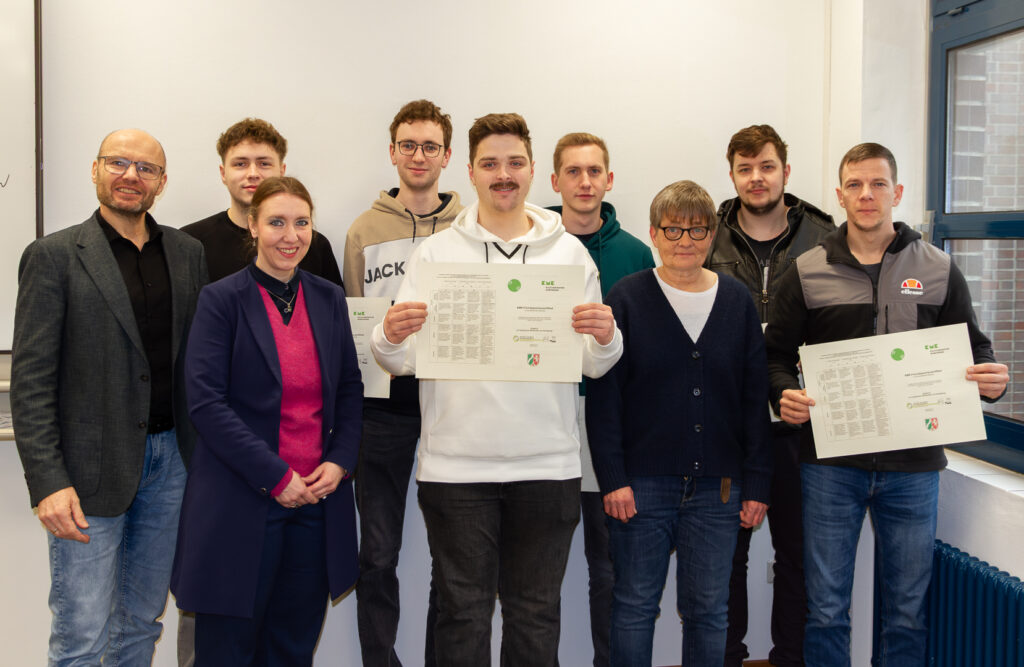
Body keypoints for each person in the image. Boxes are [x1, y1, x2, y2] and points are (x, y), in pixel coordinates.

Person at [370, 112, 622, 667]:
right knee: (462, 614)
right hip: (455, 469)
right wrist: (387, 335)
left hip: (548, 466)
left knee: (535, 615)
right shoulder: (436, 254)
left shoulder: (569, 255)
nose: (502, 174)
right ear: (471, 171)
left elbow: (596, 364)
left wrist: (607, 338)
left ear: (532, 171)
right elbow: (398, 358)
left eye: (514, 163)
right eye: (490, 164)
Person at [766, 143, 1009, 666]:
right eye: (855, 185)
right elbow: (774, 356)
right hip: (830, 467)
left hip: (914, 468)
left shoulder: (939, 268)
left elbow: (975, 351)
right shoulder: (806, 271)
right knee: (826, 610)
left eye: (877, 184)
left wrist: (992, 379)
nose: (866, 194)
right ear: (840, 195)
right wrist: (783, 394)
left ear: (896, 192)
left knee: (907, 612)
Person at [11, 128, 207, 664]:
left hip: (171, 467)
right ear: (95, 170)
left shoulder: (187, 254)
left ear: (161, 183)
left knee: (140, 624)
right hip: (85, 474)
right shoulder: (53, 256)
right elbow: (31, 381)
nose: (130, 176)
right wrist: (48, 483)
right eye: (118, 162)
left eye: (146, 168)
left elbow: (196, 364)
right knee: (82, 636)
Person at [171, 176, 362, 665]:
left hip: (315, 505)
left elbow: (348, 388)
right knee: (227, 652)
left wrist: (340, 462)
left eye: (301, 223)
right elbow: (207, 405)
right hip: (240, 501)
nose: (290, 236)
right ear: (253, 226)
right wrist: (275, 476)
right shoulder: (220, 300)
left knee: (291, 649)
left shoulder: (328, 298)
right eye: (276, 222)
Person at [587, 180, 772, 667]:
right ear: (653, 233)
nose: (684, 240)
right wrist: (613, 478)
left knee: (709, 612)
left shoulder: (737, 301)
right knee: (633, 606)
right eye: (672, 229)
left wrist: (758, 484)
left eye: (696, 230)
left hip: (720, 489)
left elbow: (754, 400)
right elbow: (605, 398)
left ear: (712, 235)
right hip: (641, 487)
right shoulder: (627, 298)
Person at [705, 124, 834, 667]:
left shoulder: (826, 237)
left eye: (766, 166)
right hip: (725, 425)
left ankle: (790, 659)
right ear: (732, 175)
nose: (756, 178)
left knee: (799, 558)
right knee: (722, 559)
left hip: (801, 426)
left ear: (786, 171)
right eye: (745, 168)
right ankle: (726, 657)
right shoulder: (706, 236)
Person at [343, 99, 462, 667]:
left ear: (447, 156)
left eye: (430, 146)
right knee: (377, 553)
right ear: (392, 152)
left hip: (452, 407)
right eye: (409, 145)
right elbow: (354, 319)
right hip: (382, 409)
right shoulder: (363, 231)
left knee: (454, 556)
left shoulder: (470, 228)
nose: (419, 156)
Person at [547, 131, 654, 667]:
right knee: (537, 571)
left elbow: (644, 347)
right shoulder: (532, 245)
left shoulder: (636, 254)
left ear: (609, 180)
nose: (584, 182)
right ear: (555, 181)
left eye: (594, 172)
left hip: (607, 423)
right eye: (573, 171)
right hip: (541, 418)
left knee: (607, 566)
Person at [183, 117, 342, 284]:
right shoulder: (191, 243)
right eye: (240, 164)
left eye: (264, 163)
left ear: (282, 171)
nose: (253, 174)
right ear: (223, 173)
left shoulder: (313, 246)